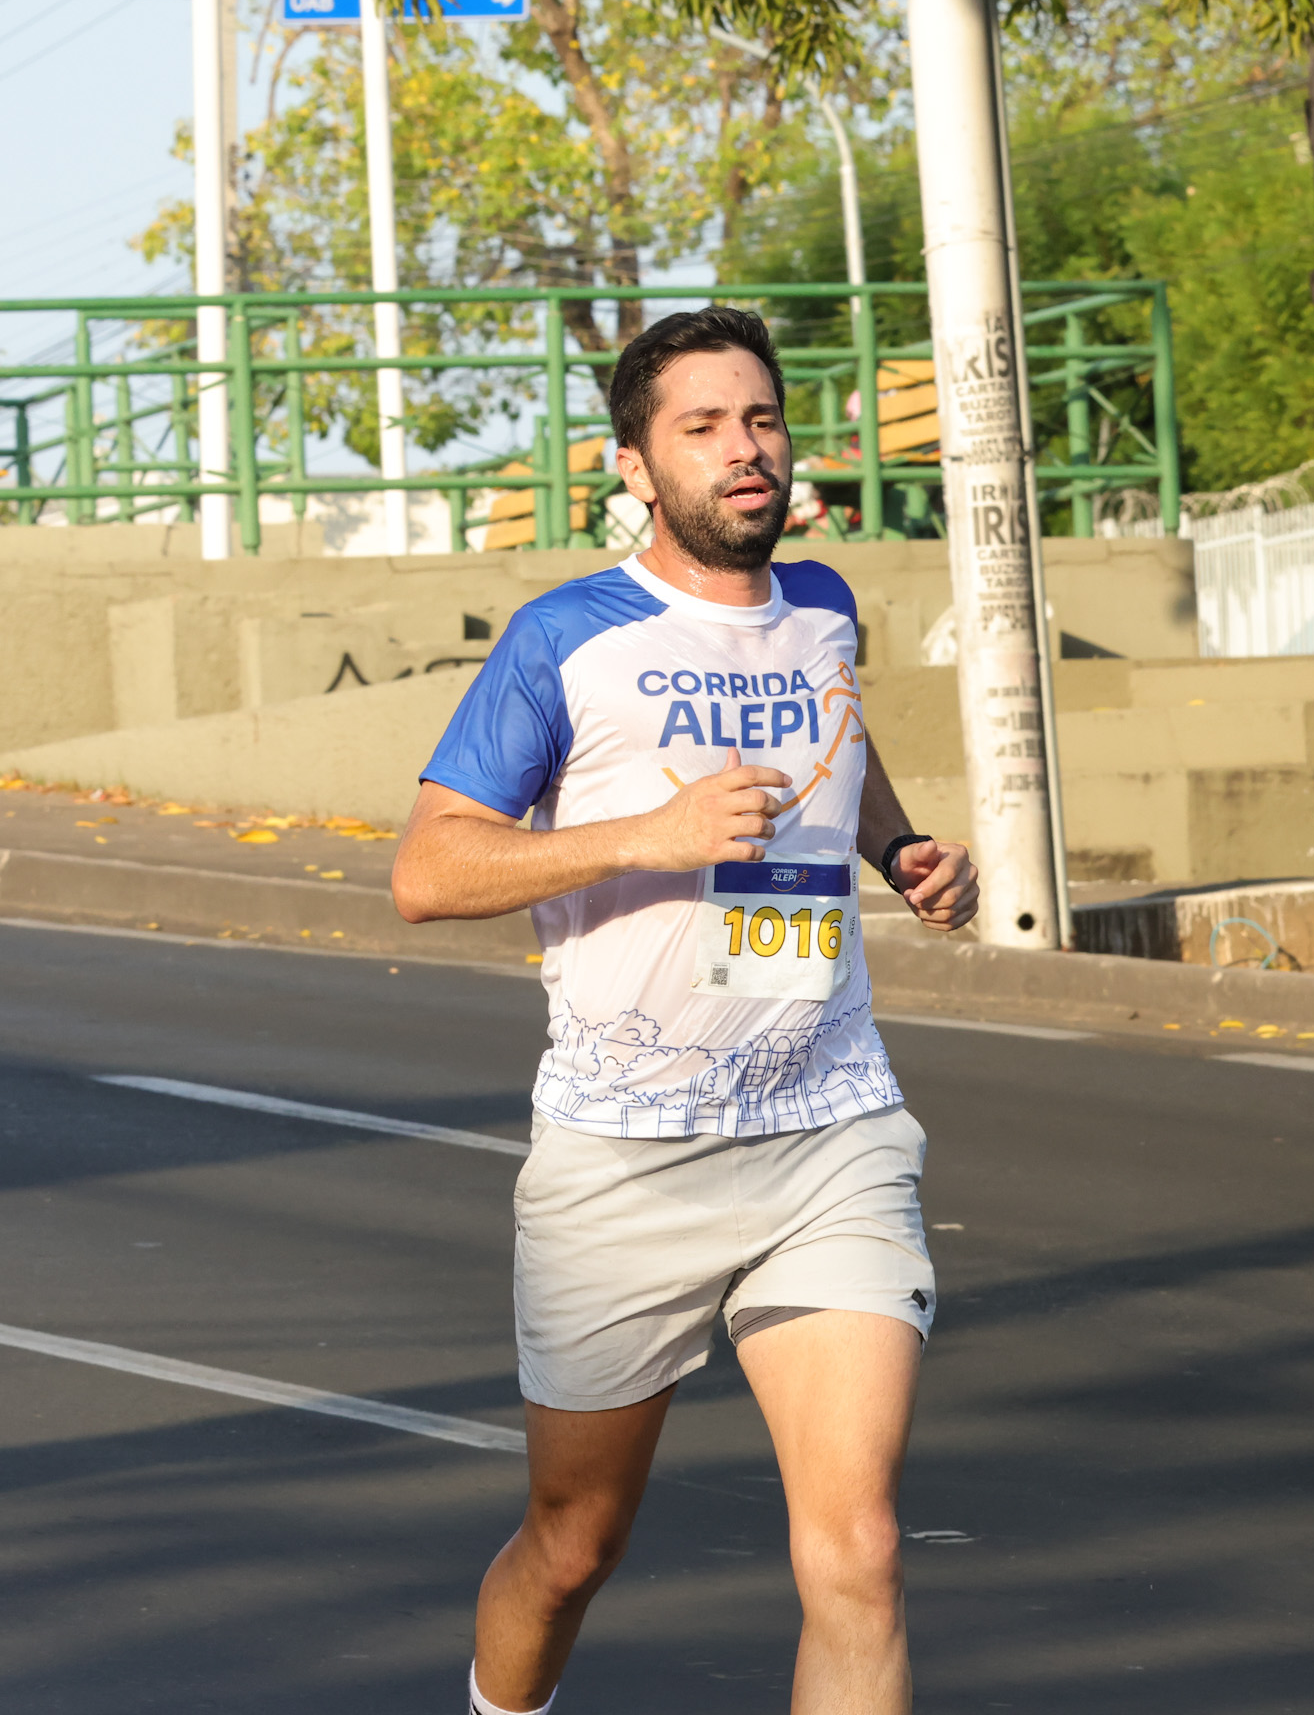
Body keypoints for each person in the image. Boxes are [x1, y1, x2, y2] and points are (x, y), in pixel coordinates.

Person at [392, 306, 978, 1715]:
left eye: (762, 419)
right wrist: (642, 836)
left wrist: (894, 847)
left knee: (860, 1551)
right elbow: (427, 870)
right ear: (636, 467)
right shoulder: (569, 639)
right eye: (703, 428)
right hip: (624, 1157)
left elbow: (833, 724)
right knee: (575, 1543)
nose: (745, 450)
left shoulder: (824, 604)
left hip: (824, 1129)